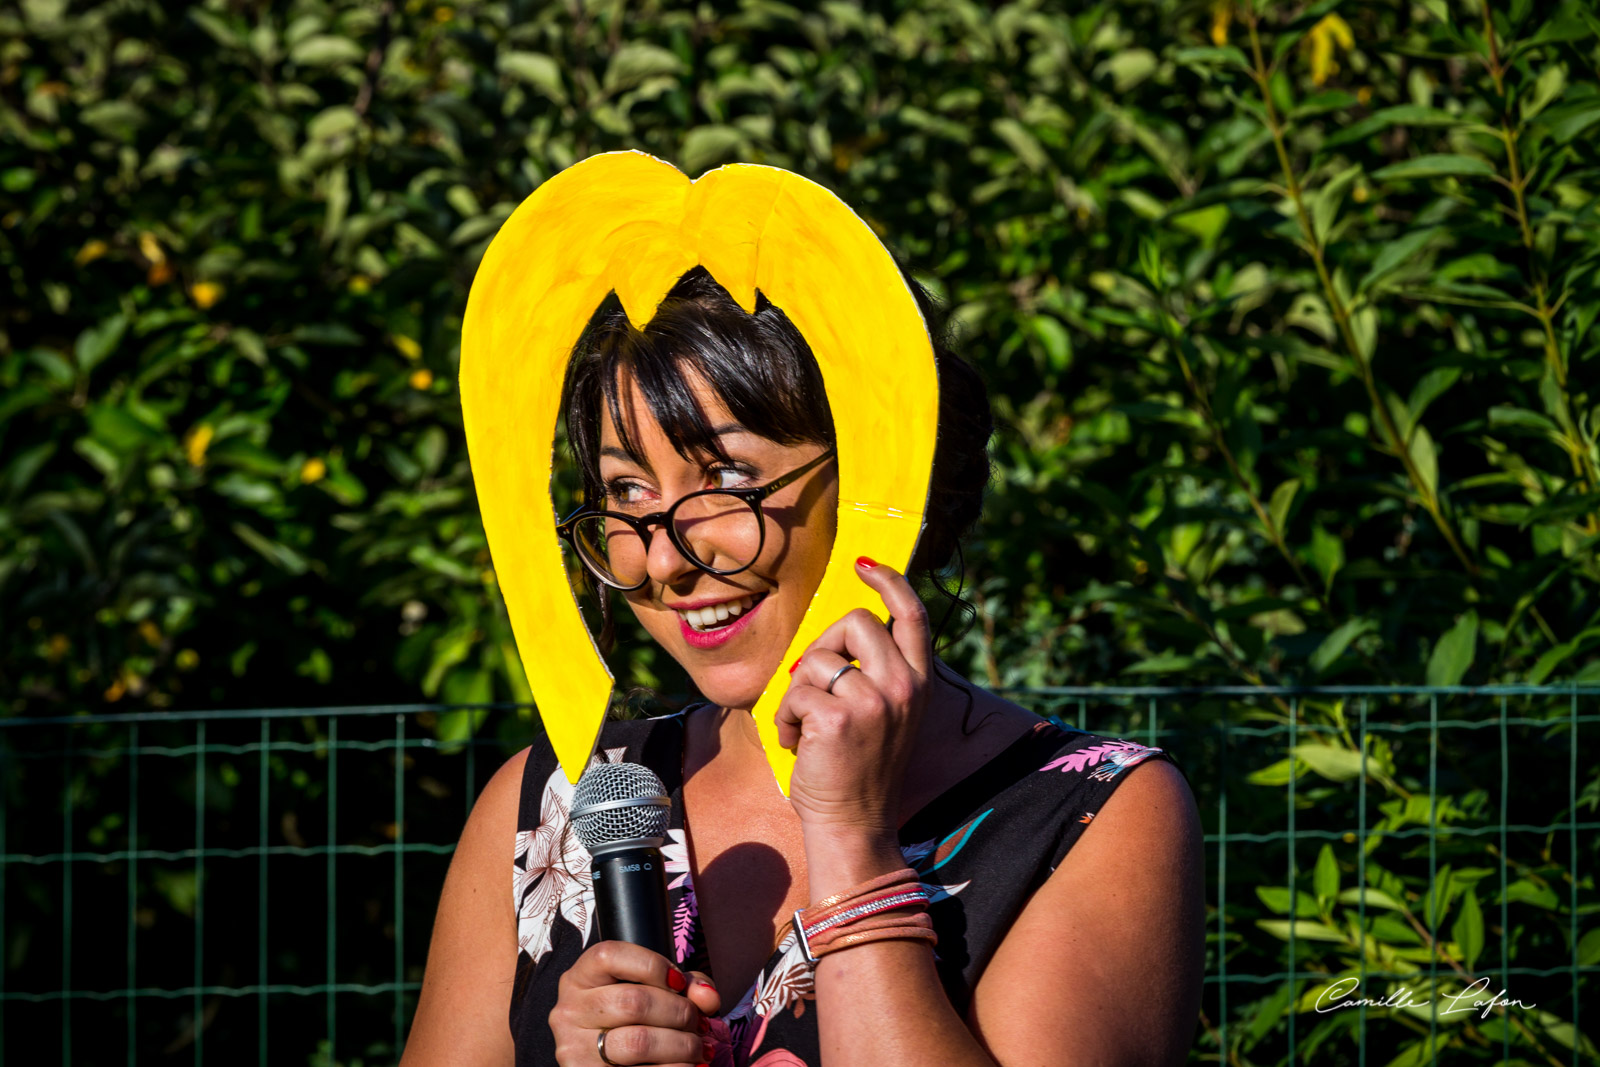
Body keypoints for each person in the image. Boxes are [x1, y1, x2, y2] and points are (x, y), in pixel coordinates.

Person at [403, 267, 1205, 1067]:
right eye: (626, 489)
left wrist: (853, 843)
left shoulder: (1094, 814)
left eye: (725, 477)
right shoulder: (546, 806)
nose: (663, 557)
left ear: (880, 472)